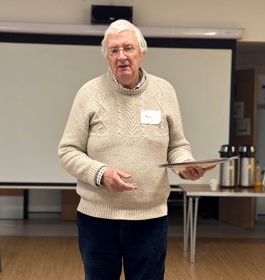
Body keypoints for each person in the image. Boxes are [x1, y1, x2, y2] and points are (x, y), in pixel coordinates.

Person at [58, 19, 213, 280]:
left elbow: (177, 146)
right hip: (97, 220)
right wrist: (101, 173)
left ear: (142, 51)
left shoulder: (165, 91)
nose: (121, 57)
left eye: (128, 48)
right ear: (106, 56)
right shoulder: (88, 93)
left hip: (150, 220)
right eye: (113, 51)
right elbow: (68, 151)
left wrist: (185, 165)